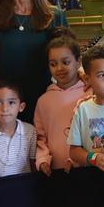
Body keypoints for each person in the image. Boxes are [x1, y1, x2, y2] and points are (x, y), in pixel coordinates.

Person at [33, 27, 88, 173]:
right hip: (55, 171)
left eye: (65, 62)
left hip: (88, 169)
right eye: (53, 64)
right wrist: (43, 159)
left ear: (78, 62)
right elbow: (40, 137)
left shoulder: (91, 93)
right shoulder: (44, 101)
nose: (59, 68)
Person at [0, 80, 41, 183]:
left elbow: (33, 163)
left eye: (11, 102)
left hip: (25, 189)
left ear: (21, 107)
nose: (5, 109)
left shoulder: (30, 131)